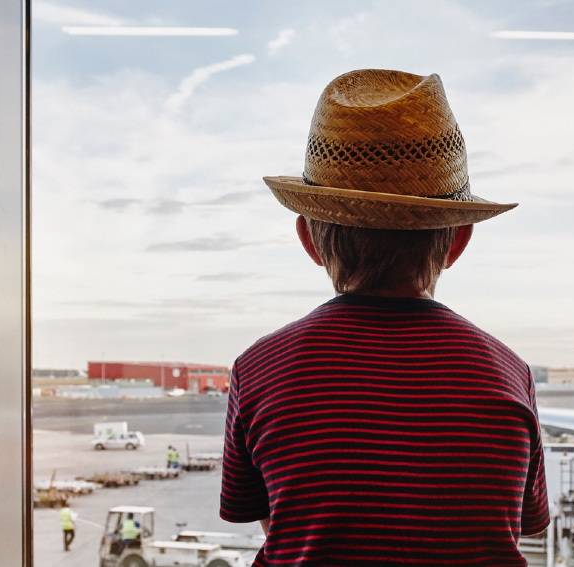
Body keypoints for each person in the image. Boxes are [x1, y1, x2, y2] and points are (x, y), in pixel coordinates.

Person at [220, 69, 549, 567]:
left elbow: (279, 524)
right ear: (458, 241)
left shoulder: (260, 369)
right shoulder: (508, 373)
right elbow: (514, 528)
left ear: (308, 239)